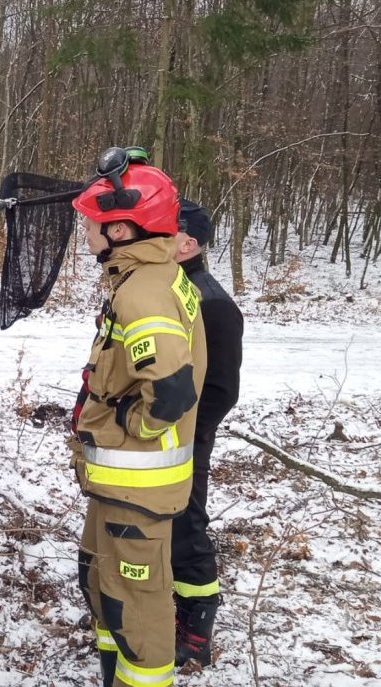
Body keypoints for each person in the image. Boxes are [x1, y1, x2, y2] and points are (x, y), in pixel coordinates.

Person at [68, 151, 206, 687]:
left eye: (91, 223)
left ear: (120, 227)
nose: (85, 231)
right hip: (122, 483)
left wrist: (135, 432)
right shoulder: (143, 277)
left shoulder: (144, 294)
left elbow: (170, 393)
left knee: (138, 605)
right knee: (106, 586)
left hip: (139, 482)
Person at [169, 199, 243, 666]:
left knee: (186, 522)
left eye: (167, 230)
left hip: (188, 436)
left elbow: (221, 389)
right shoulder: (171, 287)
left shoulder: (212, 302)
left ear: (189, 243)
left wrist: (190, 431)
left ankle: (198, 627)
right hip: (163, 436)